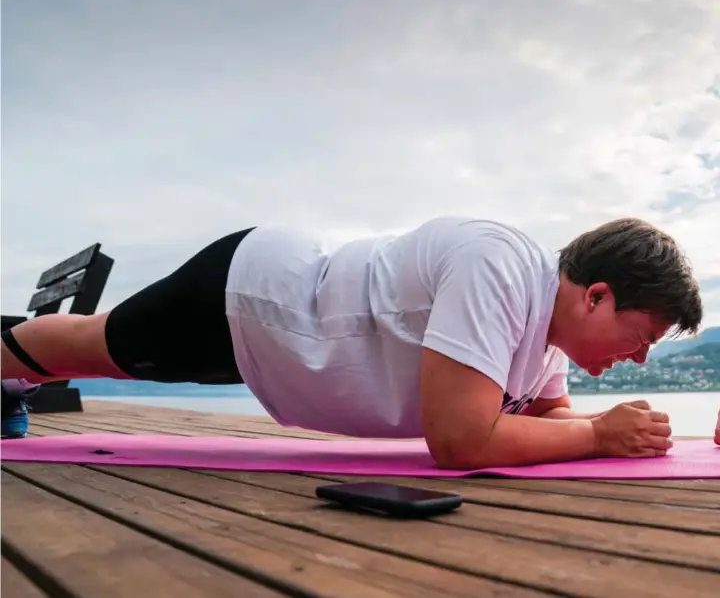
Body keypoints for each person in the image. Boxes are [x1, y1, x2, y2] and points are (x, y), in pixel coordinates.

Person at [1, 216, 711, 465]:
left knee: (109, 357)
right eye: (641, 336)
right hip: (257, 296)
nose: (641, 356)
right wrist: (596, 437)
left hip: (285, 359)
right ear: (596, 295)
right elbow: (462, 439)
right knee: (94, 348)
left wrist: (608, 429)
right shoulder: (498, 265)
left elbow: (544, 419)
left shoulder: (548, 340)